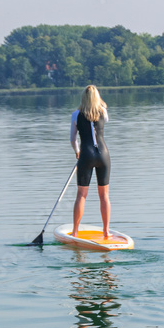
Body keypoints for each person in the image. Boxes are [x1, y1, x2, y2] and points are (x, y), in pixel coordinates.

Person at [70, 85, 111, 238]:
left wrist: (77, 152)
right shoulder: (103, 112)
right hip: (103, 155)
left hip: (86, 155)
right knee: (104, 195)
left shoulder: (76, 115)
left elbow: (73, 139)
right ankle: (106, 231)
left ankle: (75, 231)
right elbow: (101, 122)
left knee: (81, 195)